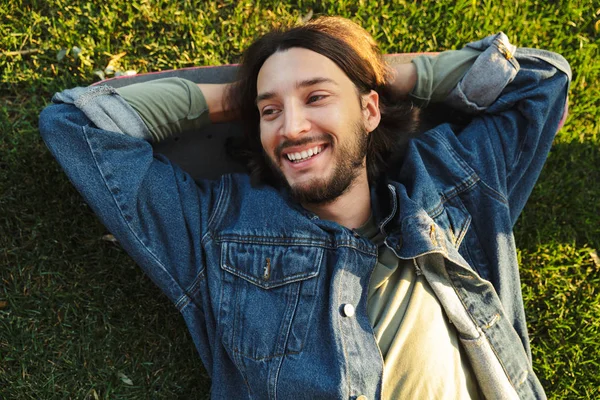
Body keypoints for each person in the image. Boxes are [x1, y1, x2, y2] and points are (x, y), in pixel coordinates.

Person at [39, 16, 570, 399]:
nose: (291, 127)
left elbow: (539, 82)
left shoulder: (452, 185)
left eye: (317, 98)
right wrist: (233, 98)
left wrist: (377, 73)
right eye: (270, 111)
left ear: (369, 111)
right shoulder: (219, 233)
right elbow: (78, 126)